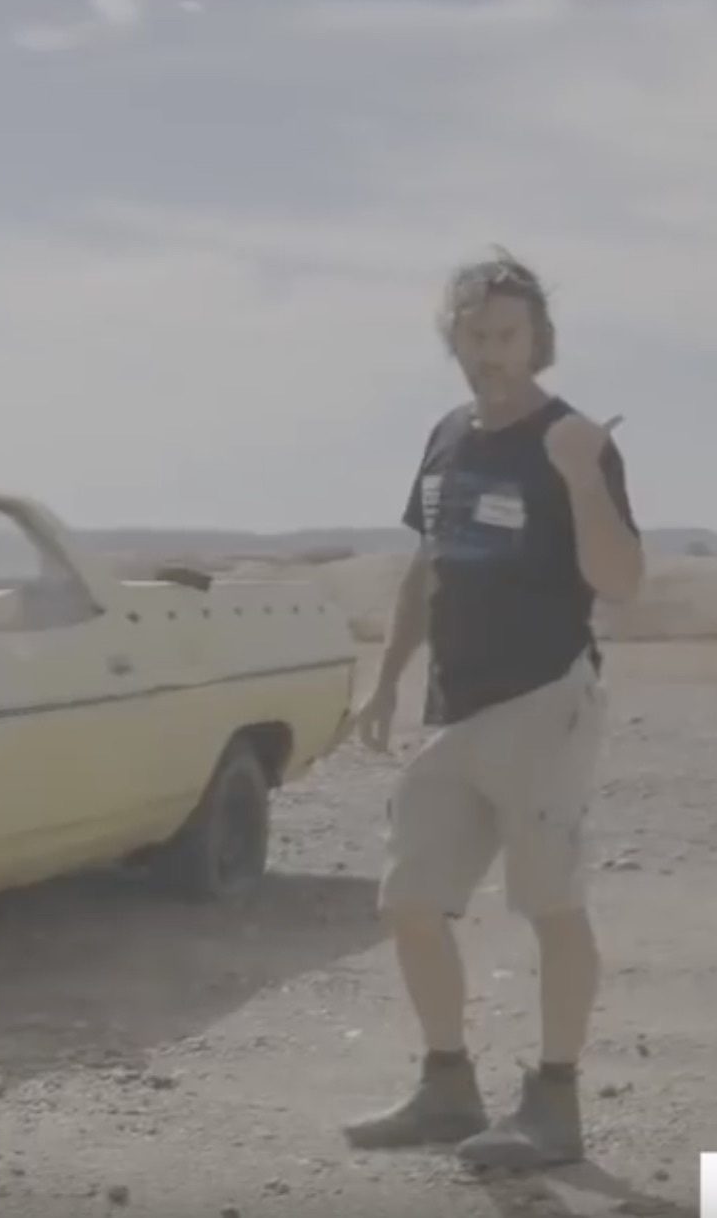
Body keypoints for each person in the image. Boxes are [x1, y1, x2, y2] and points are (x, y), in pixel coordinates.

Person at [341, 248, 644, 1170]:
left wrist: (584, 474)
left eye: (508, 335)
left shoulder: (574, 438)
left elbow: (622, 583)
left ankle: (554, 1104)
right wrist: (388, 678)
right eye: (475, 335)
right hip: (455, 708)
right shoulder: (446, 435)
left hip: (544, 698)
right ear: (454, 339)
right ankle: (446, 1087)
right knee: (410, 902)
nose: (491, 352)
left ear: (536, 340)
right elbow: (426, 567)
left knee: (549, 902)